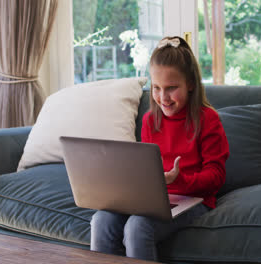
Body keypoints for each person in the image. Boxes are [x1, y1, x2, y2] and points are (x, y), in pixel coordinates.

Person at [90, 36, 229, 261]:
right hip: (154, 199)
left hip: (195, 199)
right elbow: (146, 168)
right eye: (156, 88)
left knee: (137, 227)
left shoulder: (207, 119)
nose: (163, 97)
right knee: (101, 220)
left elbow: (217, 177)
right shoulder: (149, 120)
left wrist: (178, 180)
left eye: (171, 88)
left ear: (190, 83)